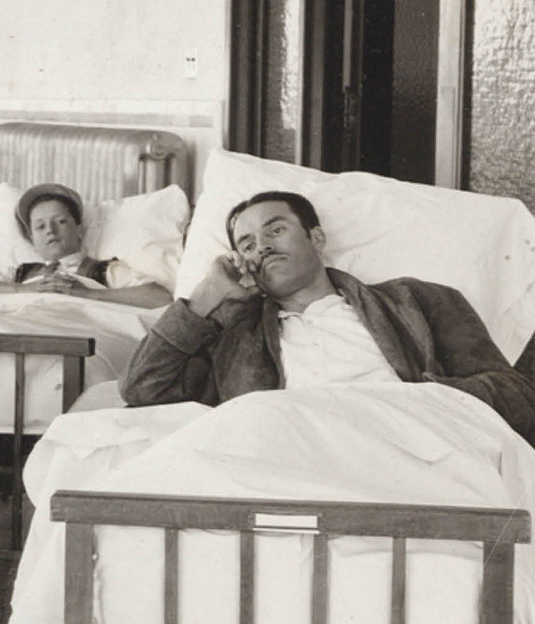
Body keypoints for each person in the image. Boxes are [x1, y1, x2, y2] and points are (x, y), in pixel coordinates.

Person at [121, 189, 535, 442]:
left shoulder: (417, 300)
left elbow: (517, 397)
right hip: (285, 460)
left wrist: (413, 402)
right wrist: (204, 297)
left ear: (316, 238)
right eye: (246, 244)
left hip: (406, 447)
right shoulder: (233, 336)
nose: (261, 247)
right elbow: (142, 389)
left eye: (275, 230)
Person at [0, 182, 170, 308]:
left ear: (79, 229)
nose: (50, 231)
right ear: (32, 240)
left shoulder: (102, 270)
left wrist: (88, 294)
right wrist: (23, 290)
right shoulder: (22, 274)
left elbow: (160, 297)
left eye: (60, 222)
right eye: (40, 227)